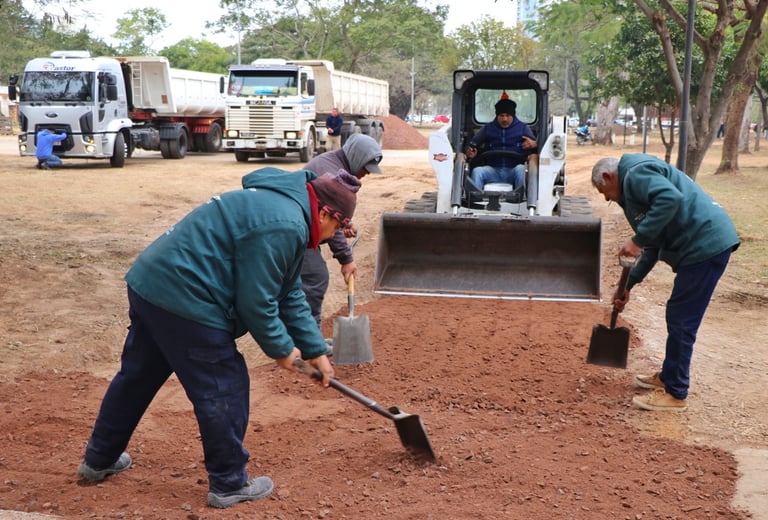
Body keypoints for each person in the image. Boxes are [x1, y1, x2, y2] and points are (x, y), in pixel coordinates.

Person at [77, 167, 361, 509]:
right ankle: (228, 483)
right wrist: (282, 350)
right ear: (325, 213)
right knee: (224, 385)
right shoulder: (286, 224)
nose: (333, 236)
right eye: (338, 227)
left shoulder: (284, 208)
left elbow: (288, 292)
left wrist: (315, 349)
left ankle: (100, 459)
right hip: (187, 297)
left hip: (152, 284)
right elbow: (257, 302)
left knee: (137, 377)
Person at [591, 154, 740, 412]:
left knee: (682, 318)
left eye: (604, 192)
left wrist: (637, 239)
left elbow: (671, 198)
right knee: (678, 315)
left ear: (608, 176)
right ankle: (668, 376)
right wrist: (628, 285)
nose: (606, 199)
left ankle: (676, 393)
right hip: (701, 247)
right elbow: (652, 245)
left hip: (705, 245)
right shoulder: (633, 188)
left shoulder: (635, 175)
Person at [301, 134, 383, 343]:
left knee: (306, 283)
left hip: (304, 228)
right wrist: (346, 258)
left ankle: (306, 339)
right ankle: (309, 342)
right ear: (356, 157)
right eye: (365, 167)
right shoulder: (329, 171)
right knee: (314, 278)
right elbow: (327, 217)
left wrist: (343, 223)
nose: (366, 173)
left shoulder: (334, 165)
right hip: (299, 232)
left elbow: (330, 217)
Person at [465, 96, 537, 190]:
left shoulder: (523, 128)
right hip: (493, 169)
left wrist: (535, 144)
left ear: (513, 115)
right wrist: (470, 152)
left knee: (521, 169)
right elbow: (471, 145)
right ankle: (475, 197)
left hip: (514, 170)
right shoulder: (488, 128)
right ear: (497, 115)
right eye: (501, 115)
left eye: (508, 115)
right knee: (477, 171)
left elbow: (539, 149)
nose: (505, 119)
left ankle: (521, 196)